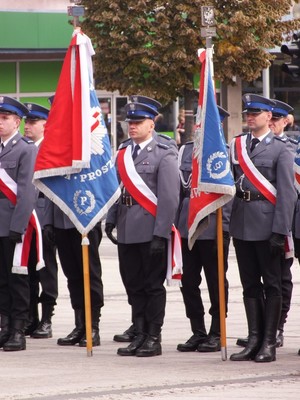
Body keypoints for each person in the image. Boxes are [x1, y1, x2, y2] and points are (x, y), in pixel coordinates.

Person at [105, 95, 180, 357]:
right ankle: (139, 333)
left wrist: (161, 233)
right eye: (130, 122)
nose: (132, 126)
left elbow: (169, 198)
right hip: (127, 229)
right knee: (133, 285)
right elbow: (118, 190)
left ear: (152, 123)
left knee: (152, 286)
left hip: (150, 231)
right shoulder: (124, 153)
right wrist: (112, 218)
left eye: (138, 122)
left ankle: (153, 337)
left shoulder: (165, 153)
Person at [229, 94, 297, 363]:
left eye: (255, 113)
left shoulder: (281, 148)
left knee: (272, 283)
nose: (250, 116)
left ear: (269, 117)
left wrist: (280, 230)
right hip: (242, 222)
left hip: (268, 224)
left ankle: (269, 342)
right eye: (248, 112)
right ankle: (254, 338)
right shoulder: (237, 146)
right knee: (249, 285)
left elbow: (287, 193)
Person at [176, 106, 231, 353]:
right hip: (188, 227)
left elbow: (231, 194)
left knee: (216, 282)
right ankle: (197, 330)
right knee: (188, 282)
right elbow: (180, 191)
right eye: (200, 122)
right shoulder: (185, 150)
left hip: (213, 226)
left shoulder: (226, 152)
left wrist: (225, 227)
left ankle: (217, 331)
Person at [0, 96, 38, 351]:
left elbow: (27, 191)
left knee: (17, 279)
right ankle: (4, 326)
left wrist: (18, 226)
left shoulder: (26, 149)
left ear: (16, 122)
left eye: (4, 119)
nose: (0, 123)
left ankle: (18, 330)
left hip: (13, 225)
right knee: (1, 280)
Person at [23, 102, 59, 339]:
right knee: (25, 269)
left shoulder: (52, 149)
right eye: (26, 122)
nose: (28, 126)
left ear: (46, 125)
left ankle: (47, 318)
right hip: (25, 218)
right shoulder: (24, 149)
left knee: (46, 269)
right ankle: (30, 317)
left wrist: (48, 222)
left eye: (33, 122)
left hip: (44, 218)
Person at [54, 208, 103, 347]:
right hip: (61, 221)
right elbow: (48, 191)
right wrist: (48, 223)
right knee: (72, 276)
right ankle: (80, 326)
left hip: (86, 219)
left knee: (91, 274)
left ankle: (93, 327)